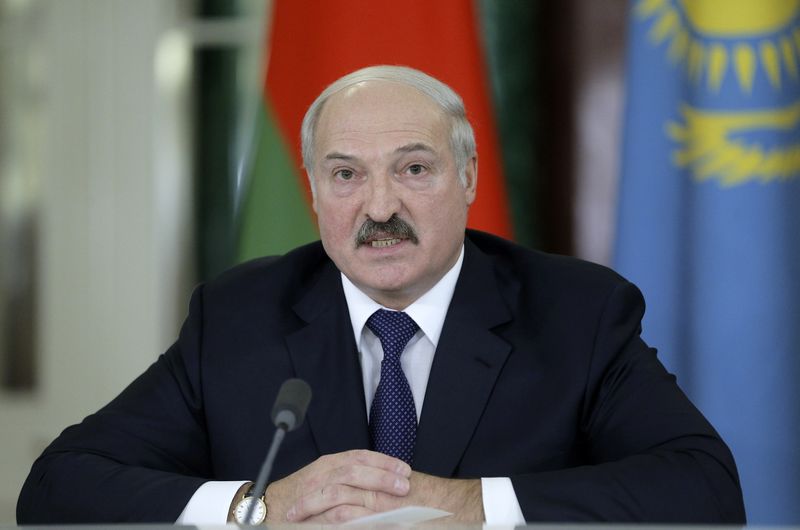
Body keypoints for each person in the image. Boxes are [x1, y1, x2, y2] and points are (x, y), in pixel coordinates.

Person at [17, 65, 746, 524]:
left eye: (414, 169)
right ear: (312, 193)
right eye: (345, 175)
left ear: (467, 179)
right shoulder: (239, 316)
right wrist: (259, 506)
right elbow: (57, 488)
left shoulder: (577, 312)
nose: (378, 207)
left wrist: (472, 506)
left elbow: (704, 488)